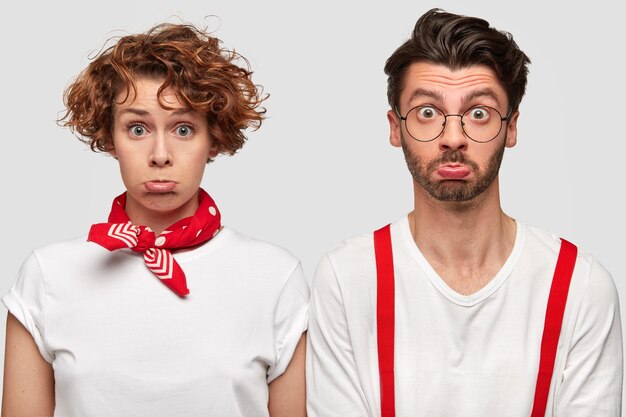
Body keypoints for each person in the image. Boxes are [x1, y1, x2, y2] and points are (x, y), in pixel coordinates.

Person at [306, 8, 622, 417]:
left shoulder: (580, 286)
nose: (452, 137)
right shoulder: (347, 279)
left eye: (478, 113)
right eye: (427, 112)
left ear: (510, 127)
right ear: (395, 127)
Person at [2, 23, 308, 417]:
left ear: (212, 138)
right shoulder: (47, 275)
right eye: (137, 128)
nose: (160, 154)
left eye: (183, 128)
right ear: (110, 137)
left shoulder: (274, 276)